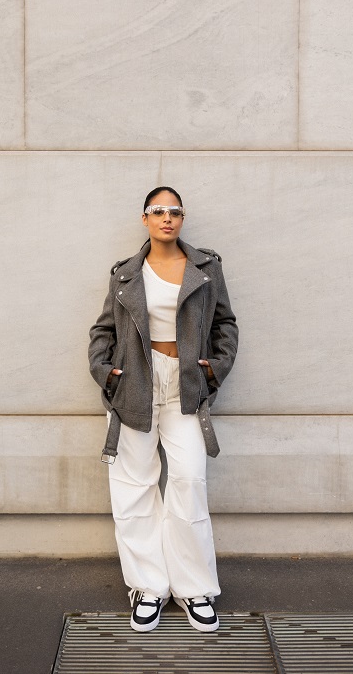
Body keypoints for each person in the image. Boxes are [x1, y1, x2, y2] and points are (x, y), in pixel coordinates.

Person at [88, 187, 238, 633]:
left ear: (182, 218)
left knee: (189, 480)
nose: (167, 218)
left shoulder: (205, 267)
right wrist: (106, 373)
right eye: (158, 211)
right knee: (133, 485)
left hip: (185, 384)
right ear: (145, 219)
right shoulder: (125, 273)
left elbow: (226, 324)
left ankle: (194, 588)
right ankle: (148, 586)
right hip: (134, 382)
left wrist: (215, 369)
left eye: (174, 211)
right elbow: (103, 330)